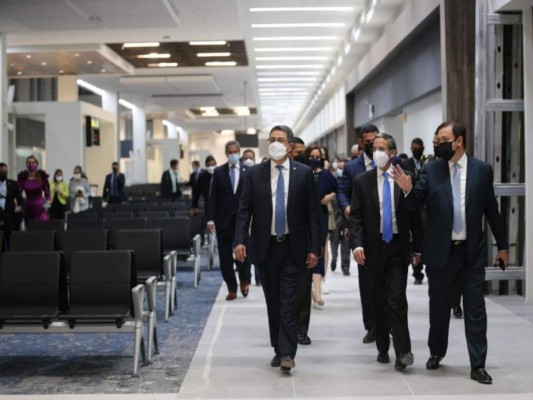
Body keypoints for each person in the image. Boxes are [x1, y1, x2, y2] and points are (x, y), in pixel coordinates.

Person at [392, 120, 509, 384]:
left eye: (443, 138)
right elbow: (414, 203)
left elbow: (492, 211)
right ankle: (436, 351)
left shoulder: (482, 170)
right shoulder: (432, 170)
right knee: (439, 307)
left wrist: (502, 246)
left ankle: (477, 364)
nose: (437, 143)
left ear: (458, 141)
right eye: (436, 139)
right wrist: (407, 188)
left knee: (475, 309)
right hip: (440, 252)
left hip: (471, 252)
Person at [234, 125, 321, 373]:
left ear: (290, 145)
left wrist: (315, 247)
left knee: (289, 300)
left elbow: (313, 214)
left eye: (280, 139)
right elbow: (244, 210)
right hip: (266, 247)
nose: (275, 143)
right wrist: (240, 240)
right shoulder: (255, 174)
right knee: (274, 300)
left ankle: (287, 352)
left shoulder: (304, 173)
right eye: (271, 139)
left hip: (294, 246)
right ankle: (278, 346)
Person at [350, 133, 420, 371]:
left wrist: (408, 191)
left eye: (381, 148)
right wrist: (357, 244)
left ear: (392, 153)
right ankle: (382, 346)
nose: (376, 151)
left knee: (397, 298)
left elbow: (415, 214)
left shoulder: (406, 177)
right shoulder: (363, 181)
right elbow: (356, 217)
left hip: (398, 247)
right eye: (373, 147)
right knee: (379, 299)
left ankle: (403, 351)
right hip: (373, 247)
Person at [337, 123, 380, 344]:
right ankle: (371, 326)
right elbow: (343, 192)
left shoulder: (392, 163)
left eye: (375, 139)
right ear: (361, 143)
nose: (372, 144)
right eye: (368, 141)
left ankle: (389, 322)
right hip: (362, 230)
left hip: (387, 230)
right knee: (367, 281)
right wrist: (346, 208)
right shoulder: (352, 167)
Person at [207, 141, 251, 300]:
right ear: (226, 154)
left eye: (235, 151)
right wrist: (210, 219)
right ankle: (231, 287)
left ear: (239, 152)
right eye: (230, 152)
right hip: (223, 220)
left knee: (243, 253)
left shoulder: (248, 170)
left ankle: (245, 279)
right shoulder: (219, 172)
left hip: (242, 221)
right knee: (225, 257)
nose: (232, 154)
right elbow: (213, 197)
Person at [305, 144, 337, 306]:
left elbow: (336, 189)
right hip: (304, 218)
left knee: (319, 252)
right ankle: (309, 289)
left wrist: (329, 197)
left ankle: (317, 292)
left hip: (321, 216)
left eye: (317, 156)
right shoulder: (302, 173)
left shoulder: (326, 174)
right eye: (311, 156)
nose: (314, 159)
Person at [329, 158, 351, 275]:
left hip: (346, 217)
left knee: (346, 243)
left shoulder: (348, 182)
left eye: (343, 168)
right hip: (335, 217)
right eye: (340, 168)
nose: (341, 170)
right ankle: (334, 258)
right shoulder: (333, 180)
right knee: (334, 240)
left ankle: (345, 266)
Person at [17, 155, 50, 223]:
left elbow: (47, 192)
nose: (31, 164)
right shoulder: (23, 178)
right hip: (28, 207)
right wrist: (17, 202)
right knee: (29, 228)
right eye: (29, 162)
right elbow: (18, 192)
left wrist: (48, 202)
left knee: (40, 226)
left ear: (36, 164)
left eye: (33, 162)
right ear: (26, 164)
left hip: (40, 207)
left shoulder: (41, 176)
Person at [0, 162, 23, 245]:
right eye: (1, 172)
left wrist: (19, 207)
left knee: (9, 240)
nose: (4, 173)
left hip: (10, 217)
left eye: (5, 172)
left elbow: (21, 199)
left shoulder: (13, 184)